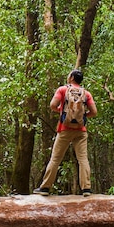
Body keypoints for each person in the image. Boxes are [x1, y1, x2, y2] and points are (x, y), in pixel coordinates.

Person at [33, 69, 97, 197]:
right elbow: (94, 112)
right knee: (82, 159)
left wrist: (63, 113)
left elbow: (52, 105)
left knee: (55, 158)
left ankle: (45, 187)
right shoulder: (86, 93)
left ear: (72, 77)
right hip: (81, 131)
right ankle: (86, 189)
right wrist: (82, 118)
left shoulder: (62, 90)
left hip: (64, 129)